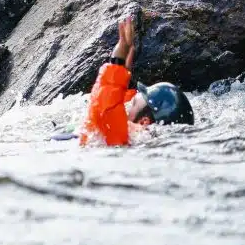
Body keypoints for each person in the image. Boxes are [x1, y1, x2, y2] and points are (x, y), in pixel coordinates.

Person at [79, 10, 195, 147]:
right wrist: (123, 77)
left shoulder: (114, 136)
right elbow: (117, 106)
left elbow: (105, 107)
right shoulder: (139, 141)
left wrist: (117, 62)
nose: (127, 106)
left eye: (132, 105)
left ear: (144, 122)